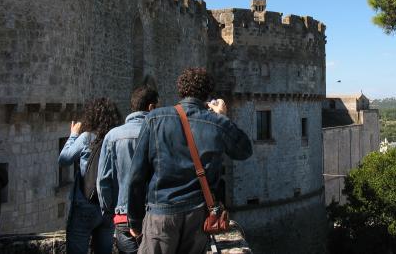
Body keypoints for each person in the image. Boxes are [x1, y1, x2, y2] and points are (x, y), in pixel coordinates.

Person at [127, 67, 253, 254]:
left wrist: (135, 220)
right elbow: (244, 150)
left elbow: (137, 175)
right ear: (208, 95)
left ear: (181, 90)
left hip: (161, 213)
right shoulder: (217, 122)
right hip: (198, 216)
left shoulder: (155, 119)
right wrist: (222, 116)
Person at [97, 85, 159, 254]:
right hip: (156, 214)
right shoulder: (159, 134)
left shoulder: (112, 136)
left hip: (122, 215)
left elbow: (103, 180)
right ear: (151, 107)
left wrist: (110, 211)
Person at [59, 98, 121, 254]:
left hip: (85, 204)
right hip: (108, 206)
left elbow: (64, 159)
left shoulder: (87, 137)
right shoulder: (116, 138)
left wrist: (73, 135)